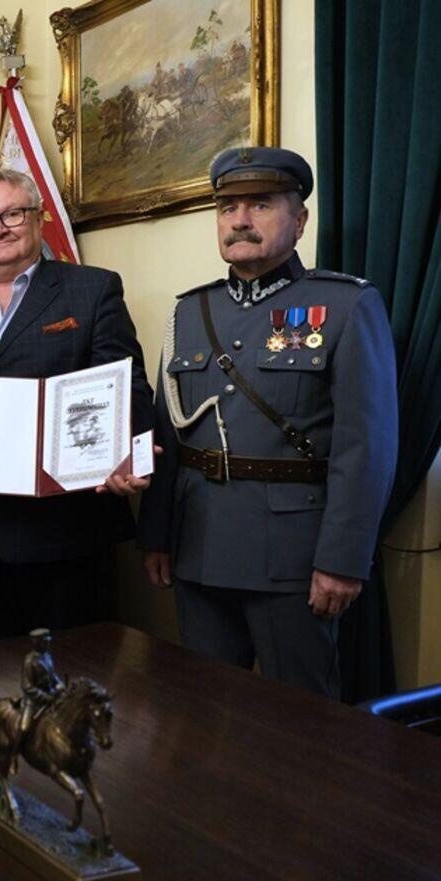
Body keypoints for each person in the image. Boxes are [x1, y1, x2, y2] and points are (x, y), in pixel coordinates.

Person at [137, 147, 397, 699]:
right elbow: (169, 431)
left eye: (260, 205)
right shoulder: (190, 312)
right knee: (203, 712)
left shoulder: (346, 306)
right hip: (199, 549)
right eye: (228, 208)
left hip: (294, 558)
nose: (240, 220)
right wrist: (156, 535)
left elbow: (366, 447)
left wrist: (343, 560)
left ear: (299, 221)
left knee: (300, 720)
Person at [0, 167, 154, 644]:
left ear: (39, 218)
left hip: (63, 531)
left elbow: (128, 387)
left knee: (70, 669)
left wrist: (129, 453)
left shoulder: (93, 289)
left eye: (12, 214)